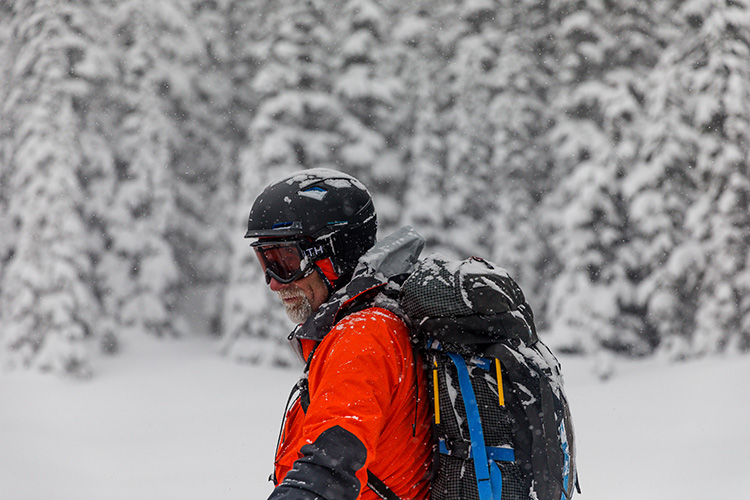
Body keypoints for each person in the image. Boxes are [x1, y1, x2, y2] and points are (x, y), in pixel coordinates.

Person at [245, 168, 434, 500]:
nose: (274, 282)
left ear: (335, 254)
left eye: (286, 261)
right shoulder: (377, 326)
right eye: (266, 261)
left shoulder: (363, 336)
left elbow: (330, 462)